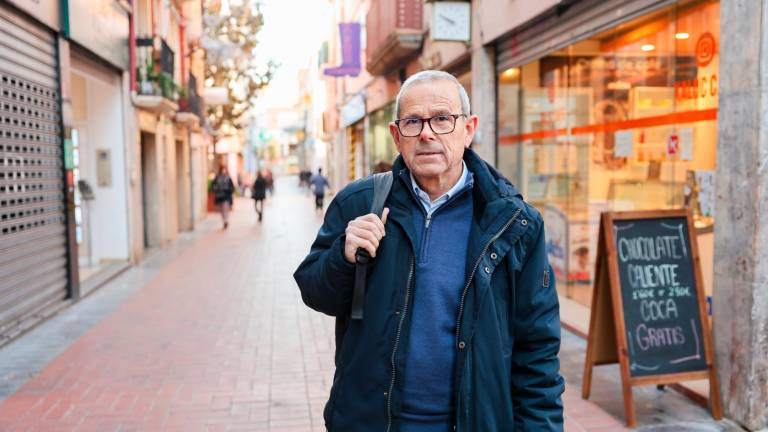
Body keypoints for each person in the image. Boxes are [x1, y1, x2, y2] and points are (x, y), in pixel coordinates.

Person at [294, 70, 564, 431]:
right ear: (396, 136)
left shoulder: (514, 222)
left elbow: (537, 350)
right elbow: (315, 292)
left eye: (442, 119)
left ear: (468, 130)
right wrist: (342, 256)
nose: (426, 133)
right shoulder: (359, 204)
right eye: (413, 121)